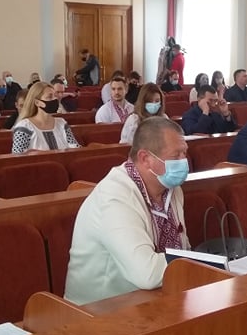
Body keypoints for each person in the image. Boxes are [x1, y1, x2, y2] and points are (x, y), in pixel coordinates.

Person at [64, 117, 190, 305]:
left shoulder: (172, 188)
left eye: (184, 153)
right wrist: (201, 264)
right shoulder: (114, 196)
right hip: (97, 311)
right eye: (175, 156)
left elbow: (183, 248)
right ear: (145, 158)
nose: (184, 162)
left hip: (154, 298)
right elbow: (146, 273)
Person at [12, 82, 81, 153]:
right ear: (37, 102)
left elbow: (75, 148)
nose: (55, 99)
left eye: (55, 96)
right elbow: (18, 155)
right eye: (49, 97)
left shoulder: (61, 123)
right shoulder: (25, 126)